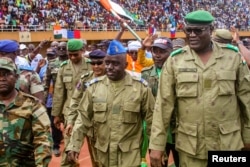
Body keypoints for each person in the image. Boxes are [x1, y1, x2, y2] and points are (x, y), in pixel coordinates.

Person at [149, 10, 250, 167]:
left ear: (211, 30)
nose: (192, 35)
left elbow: (247, 100)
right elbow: (163, 105)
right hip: (191, 148)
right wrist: (156, 145)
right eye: (188, 31)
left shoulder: (233, 58)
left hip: (227, 144)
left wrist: (248, 137)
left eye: (198, 30)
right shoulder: (175, 61)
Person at [66, 40, 155, 167]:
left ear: (125, 64)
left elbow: (152, 121)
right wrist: (74, 146)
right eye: (107, 63)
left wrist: (156, 148)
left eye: (115, 63)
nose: (109, 67)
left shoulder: (140, 88)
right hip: (103, 155)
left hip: (129, 156)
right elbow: (82, 119)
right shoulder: (94, 88)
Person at [0, 57, 52, 166]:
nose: (2, 78)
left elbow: (43, 140)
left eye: (6, 74)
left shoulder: (33, 105)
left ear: (16, 77)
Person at [52, 39, 91, 167]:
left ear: (82, 51)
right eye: (70, 55)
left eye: (76, 54)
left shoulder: (91, 66)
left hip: (90, 112)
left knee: (96, 148)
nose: (73, 57)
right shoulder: (64, 68)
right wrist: (56, 114)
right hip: (71, 113)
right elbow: (59, 92)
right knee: (70, 149)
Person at [65, 49, 107, 167]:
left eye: (99, 63)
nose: (96, 66)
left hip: (108, 127)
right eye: (93, 63)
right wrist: (70, 121)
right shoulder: (85, 79)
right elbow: (75, 101)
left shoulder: (112, 78)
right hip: (91, 127)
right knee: (96, 160)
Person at [141, 37, 179, 167]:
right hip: (155, 132)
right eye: (154, 51)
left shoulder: (180, 72)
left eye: (161, 52)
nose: (157, 55)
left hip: (178, 131)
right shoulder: (145, 74)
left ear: (171, 52)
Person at [43, 46, 65, 157]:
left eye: (64, 48)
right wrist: (44, 99)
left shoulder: (73, 62)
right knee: (54, 122)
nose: (62, 50)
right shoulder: (51, 64)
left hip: (70, 97)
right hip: (55, 97)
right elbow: (46, 82)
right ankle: (56, 145)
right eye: (59, 48)